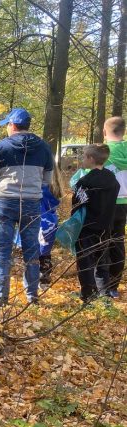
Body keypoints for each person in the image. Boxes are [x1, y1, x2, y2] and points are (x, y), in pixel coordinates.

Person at [0, 108, 54, 305]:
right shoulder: (43, 147)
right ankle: (32, 297)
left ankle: (1, 298)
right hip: (32, 203)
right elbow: (47, 179)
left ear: (13, 125)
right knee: (32, 249)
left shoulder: (2, 147)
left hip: (5, 202)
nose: (7, 128)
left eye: (8, 124)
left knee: (3, 250)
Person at [72, 144, 120, 302]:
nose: (83, 159)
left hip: (87, 228)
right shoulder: (112, 179)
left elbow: (77, 205)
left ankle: (88, 294)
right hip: (106, 227)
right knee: (102, 261)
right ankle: (104, 293)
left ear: (91, 159)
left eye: (84, 156)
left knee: (85, 261)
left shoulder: (85, 182)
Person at [103, 117, 127, 297]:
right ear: (124, 132)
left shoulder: (102, 152)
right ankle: (113, 286)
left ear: (105, 131)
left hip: (105, 204)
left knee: (101, 243)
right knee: (118, 242)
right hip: (124, 204)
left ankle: (102, 286)